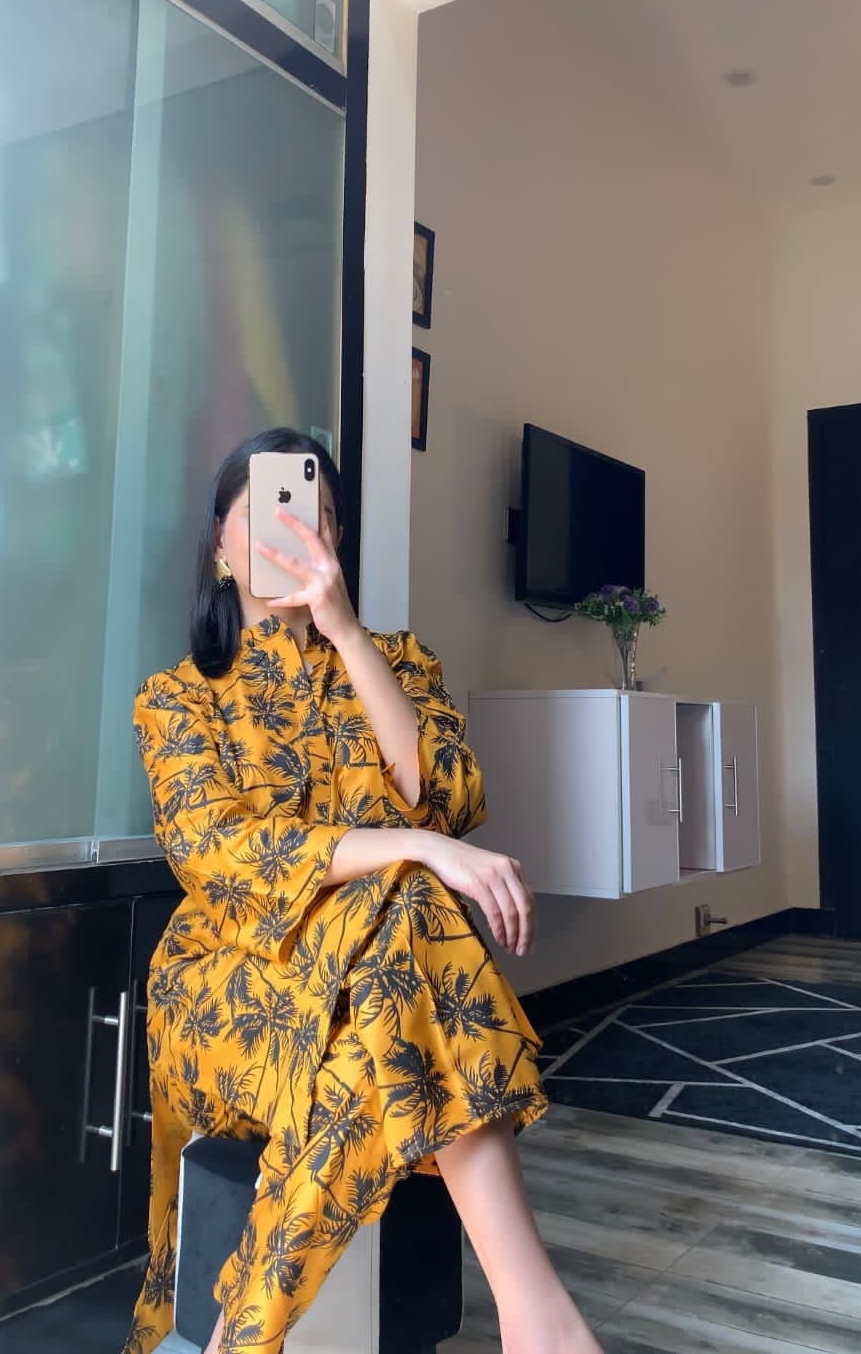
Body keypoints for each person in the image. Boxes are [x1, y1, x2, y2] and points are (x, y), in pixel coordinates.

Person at [122, 427, 603, 1354]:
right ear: (220, 545)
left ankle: (239, 1338)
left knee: (383, 1006)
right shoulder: (178, 697)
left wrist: (345, 634)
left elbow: (451, 797)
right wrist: (415, 846)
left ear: (337, 543)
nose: (299, 531)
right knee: (416, 901)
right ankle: (539, 1317)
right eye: (268, 511)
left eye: (321, 517)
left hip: (380, 980)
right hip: (230, 983)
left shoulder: (400, 663)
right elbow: (222, 853)